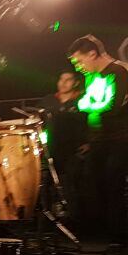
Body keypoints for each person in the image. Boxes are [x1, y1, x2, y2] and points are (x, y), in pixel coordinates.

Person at [68, 35, 128, 244]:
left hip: (124, 137)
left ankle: (122, 240)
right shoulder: (92, 76)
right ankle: (102, 236)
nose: (78, 67)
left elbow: (110, 107)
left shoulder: (120, 71)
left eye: (79, 61)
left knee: (117, 186)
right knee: (94, 184)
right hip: (100, 139)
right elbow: (91, 106)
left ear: (92, 54)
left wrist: (85, 105)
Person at [38, 70, 86, 220]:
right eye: (61, 79)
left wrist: (89, 142)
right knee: (46, 184)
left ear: (76, 82)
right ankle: (49, 221)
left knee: (71, 186)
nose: (63, 83)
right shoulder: (48, 100)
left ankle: (76, 221)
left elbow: (92, 122)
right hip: (50, 149)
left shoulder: (83, 99)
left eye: (68, 79)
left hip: (74, 150)